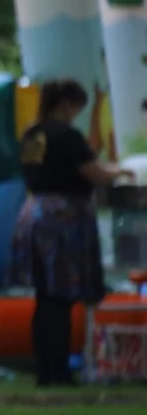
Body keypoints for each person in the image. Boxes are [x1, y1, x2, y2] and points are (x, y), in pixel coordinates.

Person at [10, 78, 135, 387]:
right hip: (63, 218)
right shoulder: (65, 135)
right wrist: (122, 169)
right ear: (66, 104)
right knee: (61, 298)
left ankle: (45, 369)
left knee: (45, 298)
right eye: (78, 106)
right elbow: (94, 173)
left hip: (34, 213)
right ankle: (59, 373)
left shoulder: (33, 133)